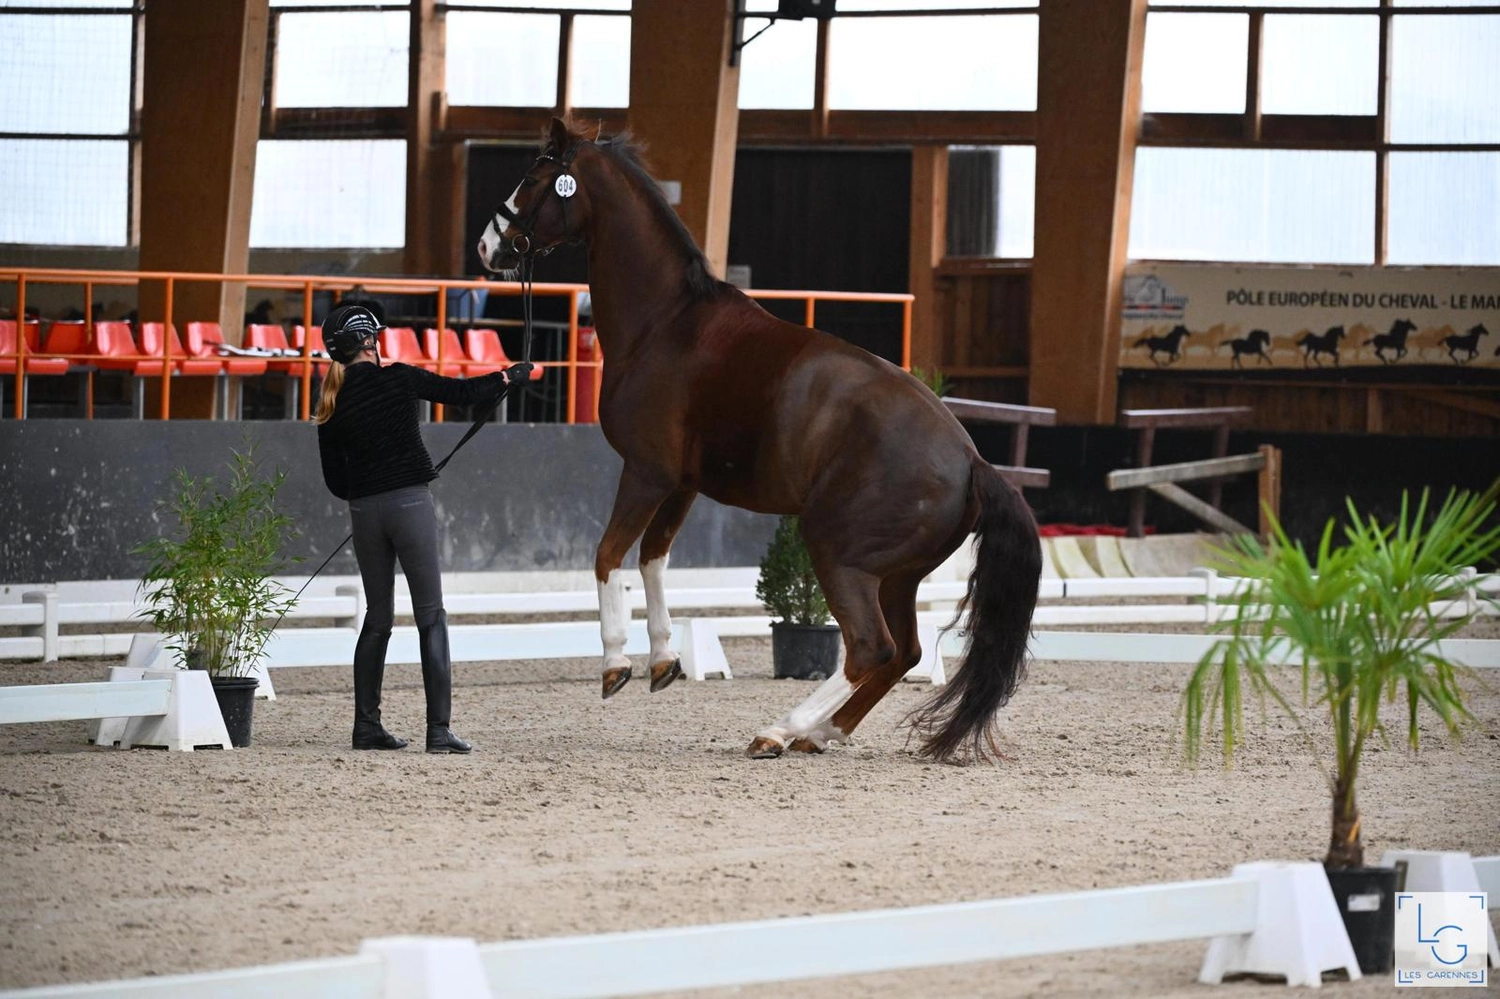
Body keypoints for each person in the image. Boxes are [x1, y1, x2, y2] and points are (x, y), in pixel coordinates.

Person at [315, 303, 532, 753]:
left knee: (377, 619)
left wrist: (369, 494)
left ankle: (366, 726)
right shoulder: (399, 378)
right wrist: (508, 377)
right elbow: (462, 393)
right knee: (431, 615)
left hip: (364, 513)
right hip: (410, 504)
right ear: (370, 341)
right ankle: (438, 729)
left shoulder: (330, 403)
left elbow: (336, 482)